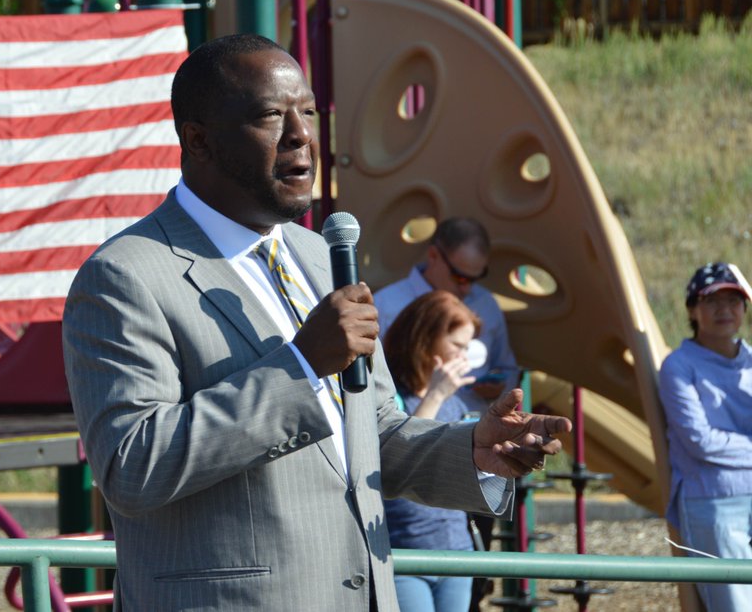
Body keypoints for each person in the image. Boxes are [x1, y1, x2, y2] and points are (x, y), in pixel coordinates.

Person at [62, 33, 571, 611]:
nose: (301, 134)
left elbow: (373, 431)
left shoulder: (319, 256)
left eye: (306, 111)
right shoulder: (125, 277)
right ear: (198, 140)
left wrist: (472, 450)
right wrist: (301, 366)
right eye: (271, 115)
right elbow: (133, 466)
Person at [658, 261, 752, 612]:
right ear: (693, 310)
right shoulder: (679, 366)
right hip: (713, 503)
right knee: (734, 605)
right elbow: (700, 440)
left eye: (734, 300)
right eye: (712, 301)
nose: (724, 310)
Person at [382, 290, 480, 612]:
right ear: (426, 339)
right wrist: (435, 395)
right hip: (404, 552)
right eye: (456, 345)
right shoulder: (389, 395)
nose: (462, 357)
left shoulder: (456, 401)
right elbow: (399, 454)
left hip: (456, 552)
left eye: (467, 348)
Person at [374, 217, 518, 415]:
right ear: (433, 255)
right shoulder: (385, 304)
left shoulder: (486, 303)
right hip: (412, 422)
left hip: (475, 424)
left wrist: (499, 387)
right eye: (460, 277)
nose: (467, 288)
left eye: (475, 278)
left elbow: (507, 368)